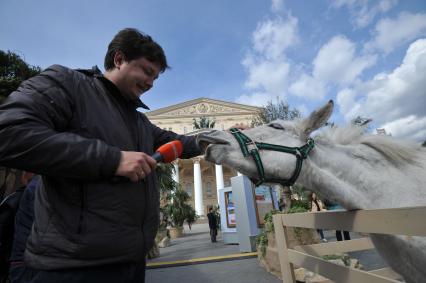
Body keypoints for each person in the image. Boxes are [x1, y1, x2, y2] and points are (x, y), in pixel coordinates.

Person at [0, 28, 202, 283]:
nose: (151, 83)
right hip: (72, 267)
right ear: (119, 59)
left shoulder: (140, 122)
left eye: (156, 78)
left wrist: (228, 138)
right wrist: (113, 160)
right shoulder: (68, 84)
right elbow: (8, 132)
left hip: (131, 264)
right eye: (147, 71)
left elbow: (182, 143)